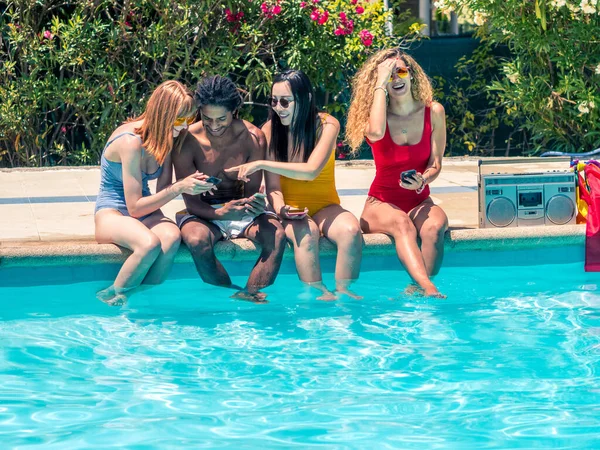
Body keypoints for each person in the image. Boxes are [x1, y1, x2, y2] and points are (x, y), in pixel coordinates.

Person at [227, 70, 363, 300]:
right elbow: (273, 187)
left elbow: (311, 171)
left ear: (306, 98)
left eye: (285, 101)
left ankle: (344, 293)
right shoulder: (270, 129)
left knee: (351, 231)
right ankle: (317, 293)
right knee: (306, 233)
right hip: (290, 209)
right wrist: (281, 209)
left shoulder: (327, 125)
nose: (278, 107)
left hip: (325, 206)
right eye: (274, 101)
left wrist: (261, 162)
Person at [95, 80, 215, 305]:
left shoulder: (166, 138)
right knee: (148, 244)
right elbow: (134, 206)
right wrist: (179, 187)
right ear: (163, 114)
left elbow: (162, 190)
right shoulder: (130, 142)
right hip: (113, 212)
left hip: (144, 210)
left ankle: (134, 297)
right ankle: (109, 297)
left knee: (171, 238)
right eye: (180, 119)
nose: (185, 126)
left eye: (189, 119)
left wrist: (192, 183)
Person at [171, 75, 286, 303]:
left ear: (234, 111)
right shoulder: (186, 142)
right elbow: (191, 202)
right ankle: (227, 293)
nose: (214, 126)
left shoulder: (254, 138)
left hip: (243, 212)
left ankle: (248, 294)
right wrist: (219, 214)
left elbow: (252, 192)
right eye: (207, 118)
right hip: (202, 212)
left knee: (278, 236)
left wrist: (251, 205)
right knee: (196, 241)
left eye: (221, 119)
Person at [346, 49, 448, 298]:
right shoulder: (376, 118)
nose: (396, 79)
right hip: (380, 202)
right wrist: (379, 85)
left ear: (412, 75)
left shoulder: (433, 112)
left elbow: (435, 163)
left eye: (401, 71)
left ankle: (415, 287)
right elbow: (377, 134)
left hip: (419, 199)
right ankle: (429, 288)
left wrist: (423, 179)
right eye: (388, 75)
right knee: (403, 224)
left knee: (435, 227)